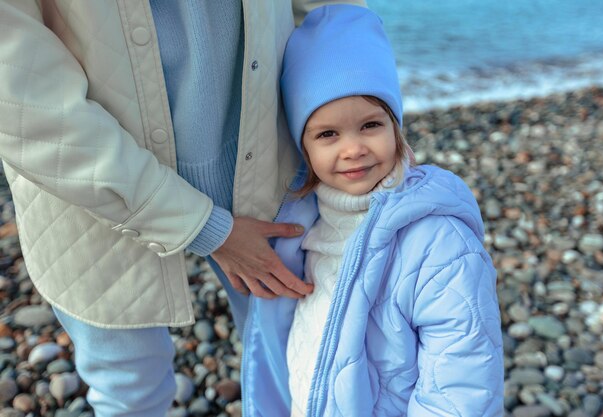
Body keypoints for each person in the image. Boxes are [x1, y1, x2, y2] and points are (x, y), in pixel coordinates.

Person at [0, 1, 363, 416]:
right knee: (130, 392)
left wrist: (362, 114)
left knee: (302, 359)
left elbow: (329, 11)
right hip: (91, 190)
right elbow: (21, 99)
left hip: (268, 153)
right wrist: (209, 230)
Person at [239, 5, 504, 416]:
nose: (353, 148)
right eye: (328, 133)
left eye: (370, 125)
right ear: (302, 146)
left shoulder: (437, 241)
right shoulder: (300, 227)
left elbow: (462, 383)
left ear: (395, 125)